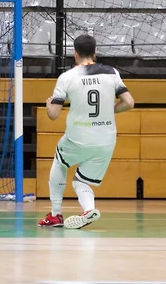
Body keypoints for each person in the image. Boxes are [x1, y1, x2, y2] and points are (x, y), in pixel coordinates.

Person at [38, 34, 134, 229]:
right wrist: (110, 109)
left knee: (60, 161)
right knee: (81, 181)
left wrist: (49, 105)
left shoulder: (67, 77)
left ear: (75, 55)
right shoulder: (112, 73)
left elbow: (54, 115)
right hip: (106, 141)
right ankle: (89, 210)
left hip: (78, 138)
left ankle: (55, 214)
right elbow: (129, 103)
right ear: (95, 53)